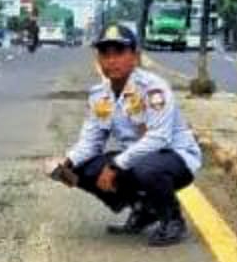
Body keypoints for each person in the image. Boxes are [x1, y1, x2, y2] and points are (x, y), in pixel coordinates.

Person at [44, 24, 202, 247]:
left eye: (119, 52)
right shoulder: (100, 95)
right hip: (134, 160)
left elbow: (159, 138)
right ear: (98, 59)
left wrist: (116, 165)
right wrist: (66, 161)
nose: (111, 60)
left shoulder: (153, 89)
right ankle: (143, 209)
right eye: (105, 54)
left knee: (144, 167)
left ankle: (173, 220)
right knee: (80, 168)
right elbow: (91, 142)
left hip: (174, 158)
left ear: (135, 57)